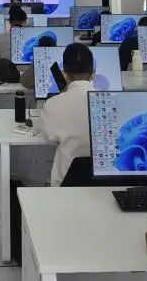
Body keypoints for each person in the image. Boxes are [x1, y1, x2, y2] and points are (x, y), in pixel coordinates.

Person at [38, 43, 97, 186]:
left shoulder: (53, 104)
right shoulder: (113, 102)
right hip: (107, 184)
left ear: (64, 74)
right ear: (94, 73)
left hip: (67, 183)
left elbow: (49, 139)